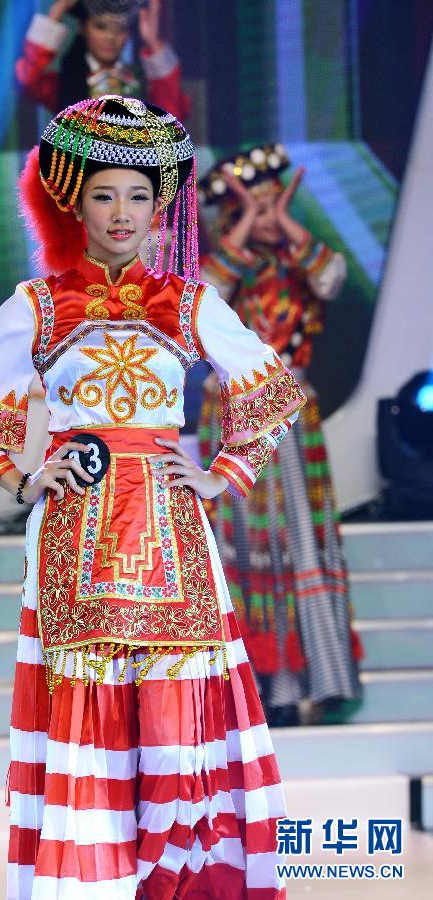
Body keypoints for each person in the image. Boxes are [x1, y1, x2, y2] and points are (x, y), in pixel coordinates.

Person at [0, 96, 305, 898]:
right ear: (73, 202)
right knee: (85, 725)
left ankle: (178, 882)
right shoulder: (40, 303)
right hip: (77, 531)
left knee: (177, 723)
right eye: (104, 194)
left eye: (138, 195)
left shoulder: (188, 301)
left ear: (162, 203)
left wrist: (221, 475)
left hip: (172, 531)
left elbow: (270, 390)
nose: (122, 213)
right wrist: (21, 480)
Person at [197, 146, 362, 727]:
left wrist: (287, 220)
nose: (266, 218)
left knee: (300, 541)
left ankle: (314, 678)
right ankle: (262, 688)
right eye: (252, 208)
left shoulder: (301, 264)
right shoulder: (226, 268)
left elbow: (333, 277)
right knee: (245, 545)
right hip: (236, 415)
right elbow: (205, 299)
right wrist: (245, 222)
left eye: (273, 205)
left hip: (292, 416)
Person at [16, 0, 190, 119]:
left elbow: (172, 115)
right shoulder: (67, 83)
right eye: (101, 26)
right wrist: (56, 12)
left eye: (119, 28)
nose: (110, 37)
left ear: (128, 33)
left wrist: (153, 42)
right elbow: (27, 79)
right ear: (82, 27)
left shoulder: (138, 80)